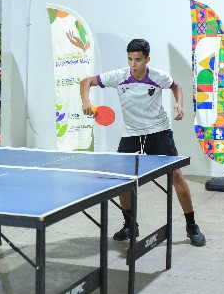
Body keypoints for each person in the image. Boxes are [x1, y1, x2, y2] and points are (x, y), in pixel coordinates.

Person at [80, 38, 206, 246]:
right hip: (131, 133)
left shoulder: (158, 77)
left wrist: (179, 104)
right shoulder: (119, 76)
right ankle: (130, 224)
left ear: (147, 59)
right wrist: (86, 101)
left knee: (176, 176)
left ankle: (191, 225)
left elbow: (176, 87)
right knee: (123, 179)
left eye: (138, 59)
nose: (133, 64)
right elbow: (86, 82)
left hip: (158, 131)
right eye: (130, 59)